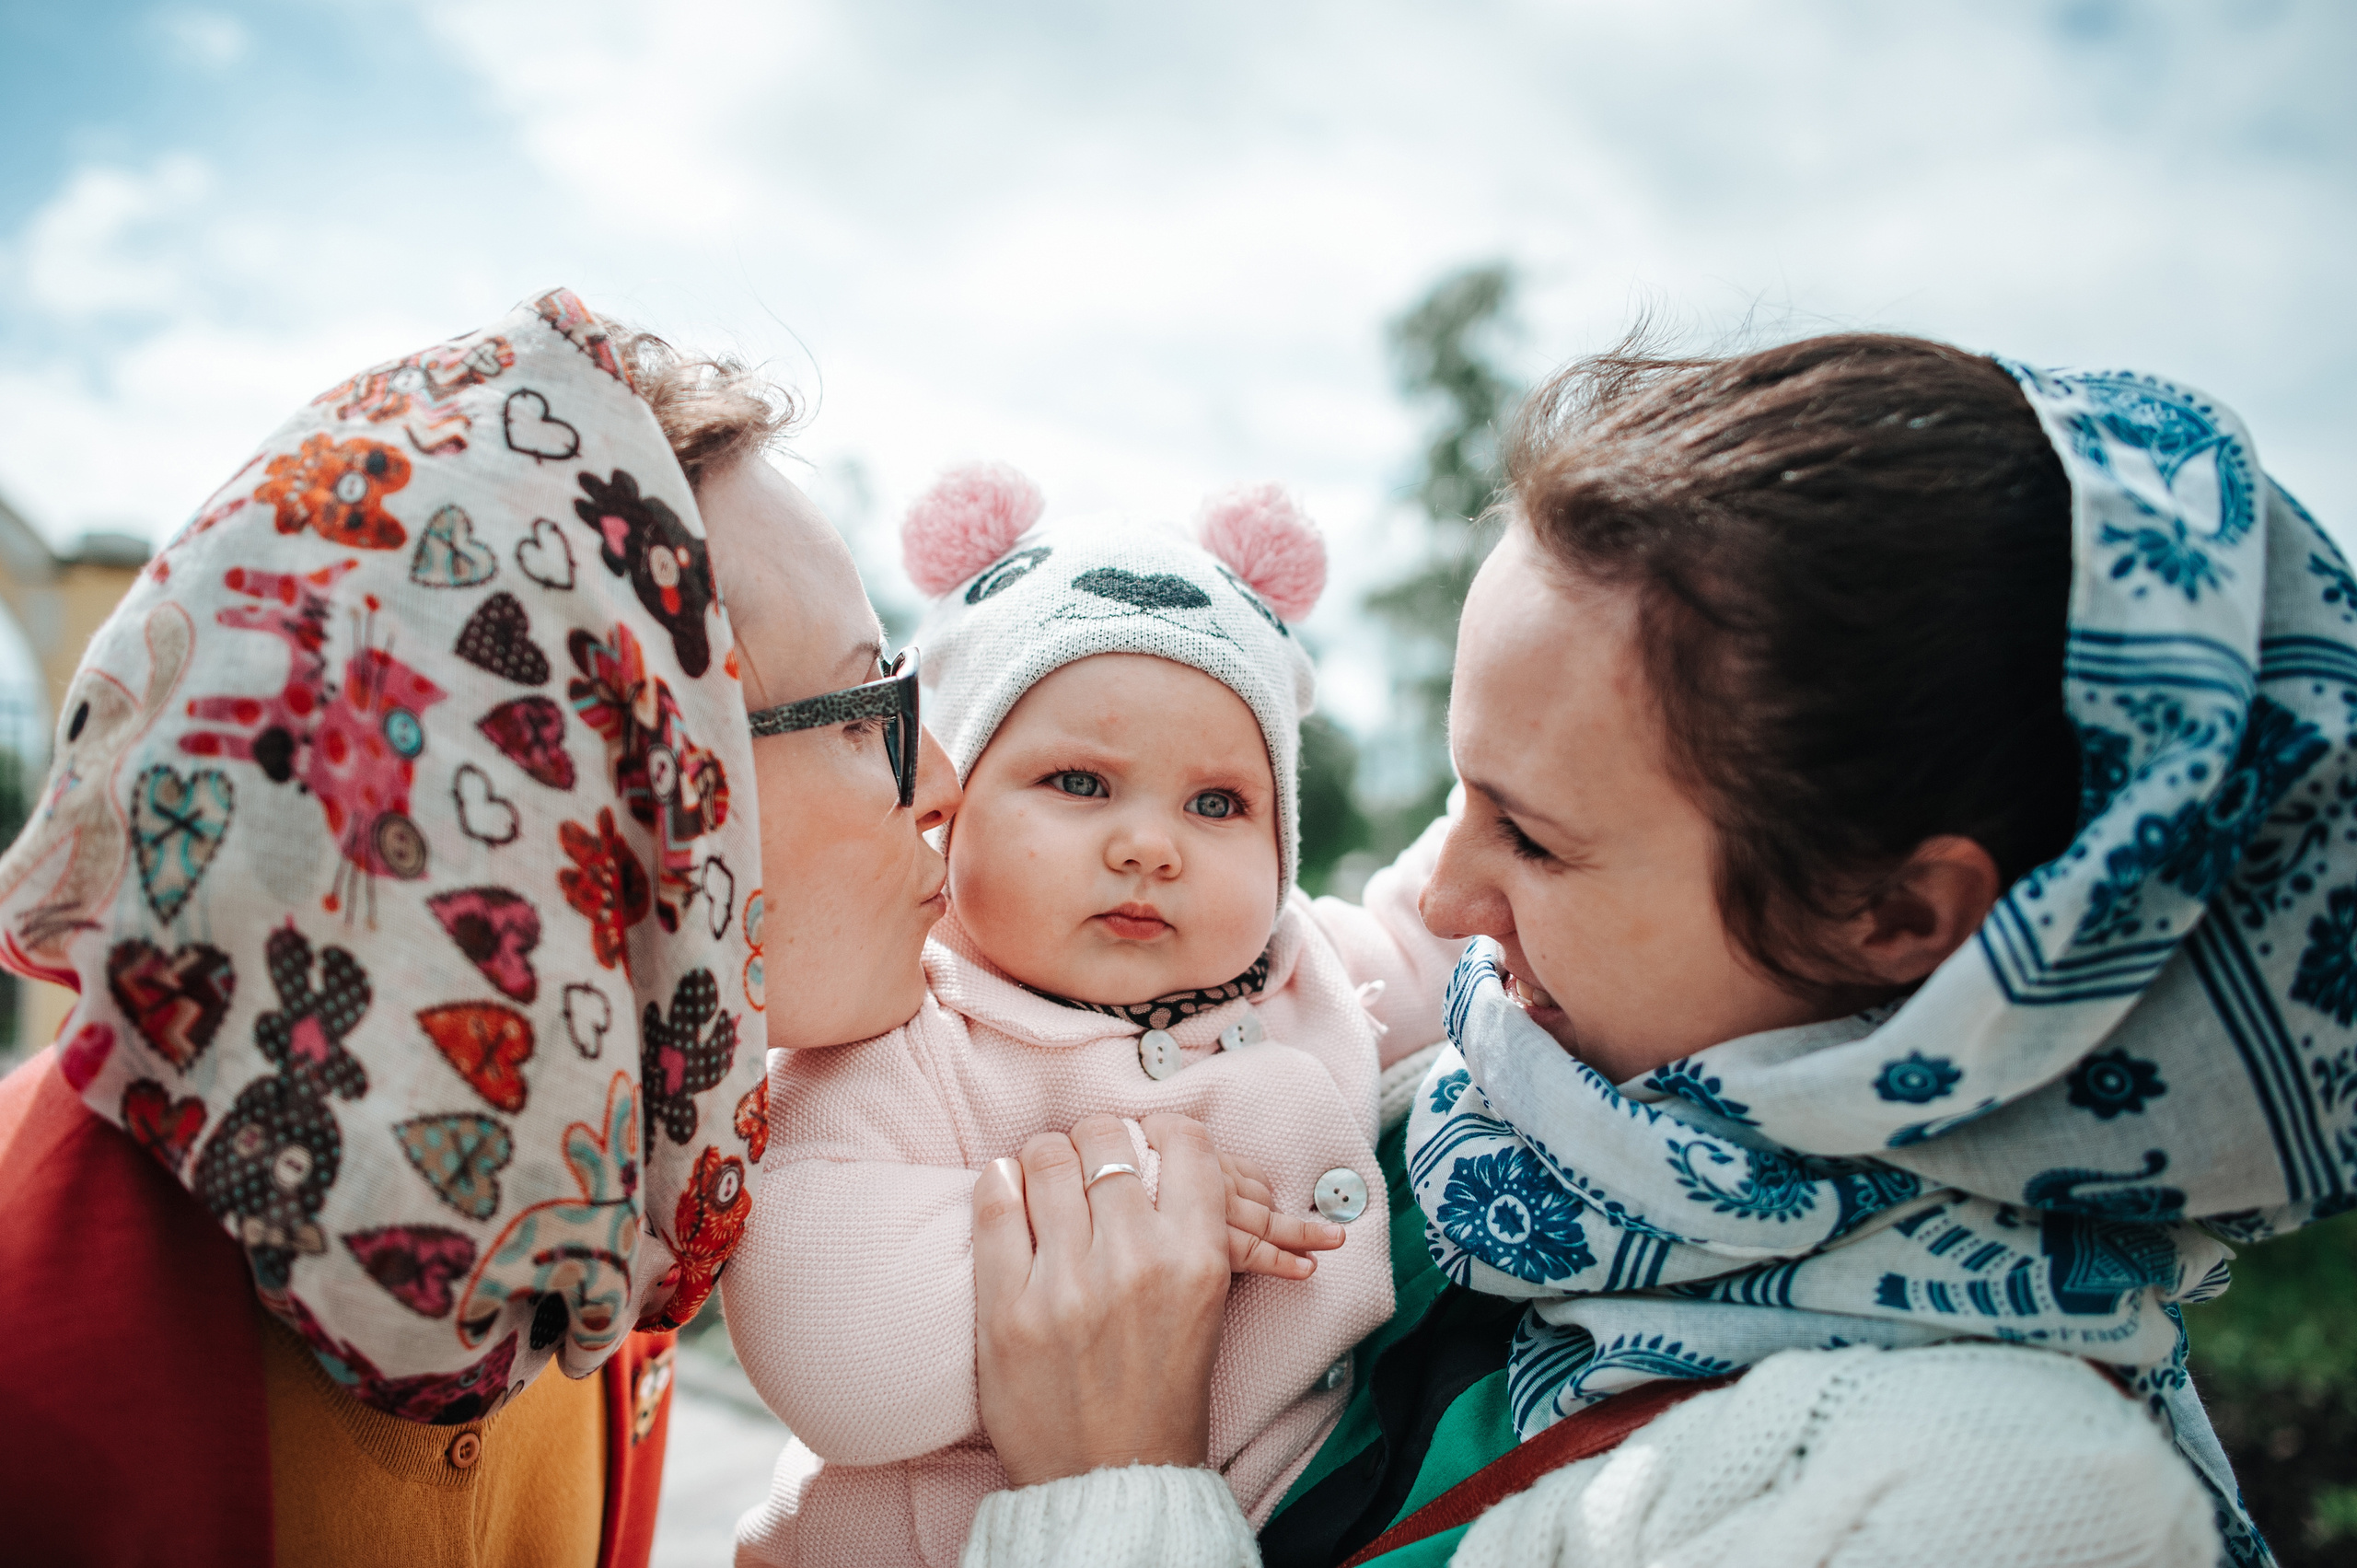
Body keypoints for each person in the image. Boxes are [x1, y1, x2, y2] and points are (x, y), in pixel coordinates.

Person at [957, 334, 2350, 1567]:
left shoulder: (2001, 1504)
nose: (1442, 900)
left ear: (1895, 916)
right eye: (1459, 796)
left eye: (1532, 837)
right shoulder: (1486, 1101)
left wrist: (1107, 1483)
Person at [0, 287, 963, 1568]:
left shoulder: (587, 1233)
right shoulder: (30, 1347)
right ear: (601, 788)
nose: (940, 779)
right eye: (862, 712)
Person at [725, 466, 1469, 1565]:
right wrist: (1145, 1211)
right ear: (950, 801)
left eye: (1216, 802)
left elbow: (1449, 910)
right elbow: (836, 1348)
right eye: (1079, 782)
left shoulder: (1307, 968)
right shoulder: (900, 1034)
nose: (1150, 845)